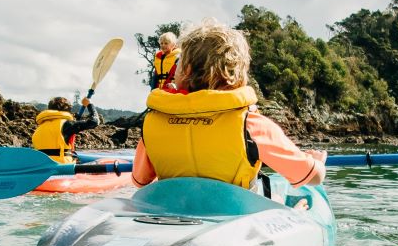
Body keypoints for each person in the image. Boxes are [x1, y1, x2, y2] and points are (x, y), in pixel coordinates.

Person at [131, 19, 326, 194]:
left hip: (172, 216)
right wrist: (317, 163)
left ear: (186, 70)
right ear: (239, 76)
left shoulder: (153, 121)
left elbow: (140, 181)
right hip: (234, 218)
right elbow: (312, 176)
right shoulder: (251, 125)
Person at [32, 95, 103, 163]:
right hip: (61, 165)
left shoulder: (39, 127)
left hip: (42, 164)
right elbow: (94, 121)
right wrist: (89, 104)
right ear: (67, 111)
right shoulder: (67, 124)